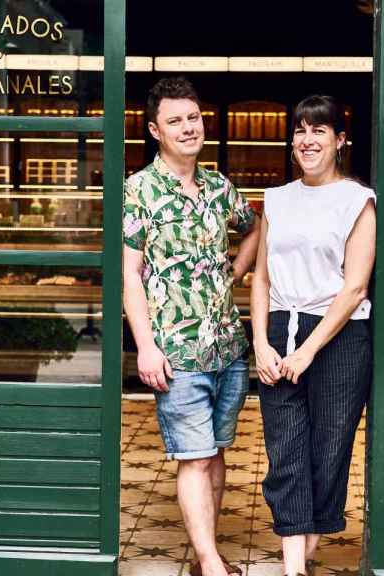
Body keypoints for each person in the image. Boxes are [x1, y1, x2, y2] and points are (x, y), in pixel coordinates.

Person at [123, 76, 259, 576]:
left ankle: (208, 556)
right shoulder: (137, 191)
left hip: (227, 347)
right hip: (175, 353)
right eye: (175, 120)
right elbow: (129, 278)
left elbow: (253, 227)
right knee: (194, 458)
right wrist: (145, 347)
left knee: (216, 451)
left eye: (193, 117)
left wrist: (235, 271)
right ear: (155, 130)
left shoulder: (221, 187)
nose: (188, 127)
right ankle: (210, 563)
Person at [249, 95, 377, 576]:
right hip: (282, 327)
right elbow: (261, 278)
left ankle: (305, 552)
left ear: (339, 141)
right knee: (285, 449)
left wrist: (305, 352)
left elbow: (356, 287)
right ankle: (294, 567)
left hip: (339, 337)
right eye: (300, 130)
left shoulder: (358, 201)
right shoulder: (277, 199)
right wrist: (262, 342)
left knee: (328, 448)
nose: (307, 140)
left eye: (319, 130)